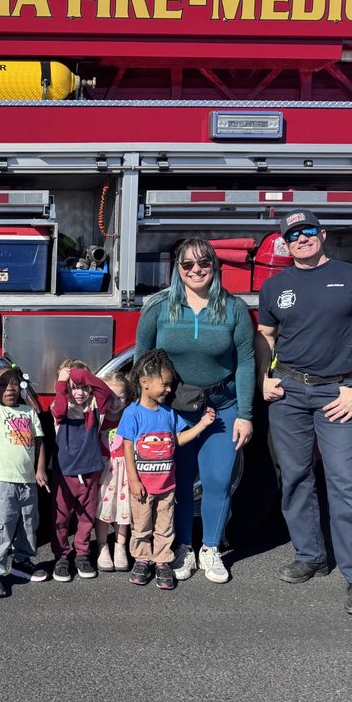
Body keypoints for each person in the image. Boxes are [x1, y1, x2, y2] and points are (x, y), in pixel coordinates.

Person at [256, 209, 352, 618]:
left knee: (345, 486)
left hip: (338, 393)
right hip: (288, 394)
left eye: (308, 231)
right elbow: (265, 335)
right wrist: (266, 377)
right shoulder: (275, 286)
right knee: (295, 477)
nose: (302, 238)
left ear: (323, 234)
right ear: (286, 242)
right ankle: (311, 555)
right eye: (294, 234)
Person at [135, 237, 255, 584]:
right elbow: (143, 360)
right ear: (178, 269)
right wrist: (143, 412)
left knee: (218, 480)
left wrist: (245, 414)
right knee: (181, 483)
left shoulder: (233, 309)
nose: (196, 270)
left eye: (203, 263)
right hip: (175, 411)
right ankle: (184, 547)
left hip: (223, 408)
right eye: (187, 264)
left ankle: (211, 549)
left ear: (214, 266)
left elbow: (245, 362)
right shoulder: (158, 307)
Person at [121, 350, 215, 590]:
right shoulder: (132, 413)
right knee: (141, 526)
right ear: (145, 383)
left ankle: (162, 560)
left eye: (170, 385)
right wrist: (133, 480)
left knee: (165, 526)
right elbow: (127, 446)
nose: (169, 390)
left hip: (166, 485)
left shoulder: (168, 413)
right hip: (142, 485)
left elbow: (179, 439)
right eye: (164, 385)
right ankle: (142, 559)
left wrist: (203, 424)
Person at [0, 329, 50, 597]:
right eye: (2, 384)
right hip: (3, 479)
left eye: (13, 384)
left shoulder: (28, 410)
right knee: (1, 525)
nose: (9, 388)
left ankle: (21, 561)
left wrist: (40, 469)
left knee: (29, 523)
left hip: (27, 481)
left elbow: (39, 441)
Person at [48, 359, 113, 582]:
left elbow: (104, 391)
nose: (80, 392)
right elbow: (58, 409)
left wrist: (80, 375)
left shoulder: (96, 408)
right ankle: (62, 555)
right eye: (74, 387)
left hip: (90, 472)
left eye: (84, 387)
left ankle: (83, 553)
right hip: (64, 474)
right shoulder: (61, 405)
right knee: (61, 517)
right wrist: (61, 384)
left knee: (86, 517)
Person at [94, 371, 131, 573]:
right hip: (104, 471)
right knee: (103, 511)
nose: (116, 402)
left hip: (124, 470)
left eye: (121, 397)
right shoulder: (99, 418)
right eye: (111, 397)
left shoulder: (128, 417)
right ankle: (102, 546)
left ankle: (120, 547)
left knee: (124, 511)